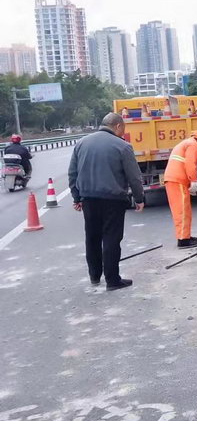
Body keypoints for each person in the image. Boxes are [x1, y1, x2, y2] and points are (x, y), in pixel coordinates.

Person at [67, 113, 145, 291]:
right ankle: (112, 280)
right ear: (117, 126)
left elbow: (72, 173)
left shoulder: (81, 143)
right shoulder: (122, 146)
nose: (123, 132)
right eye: (123, 129)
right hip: (113, 200)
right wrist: (139, 198)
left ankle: (94, 276)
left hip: (88, 199)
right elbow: (134, 176)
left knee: (92, 237)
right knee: (111, 237)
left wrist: (76, 197)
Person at [163, 130, 197, 248]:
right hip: (177, 180)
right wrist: (193, 181)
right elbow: (190, 163)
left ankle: (184, 236)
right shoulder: (193, 145)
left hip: (174, 179)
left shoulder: (186, 143)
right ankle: (183, 240)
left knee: (182, 210)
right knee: (182, 211)